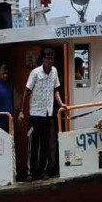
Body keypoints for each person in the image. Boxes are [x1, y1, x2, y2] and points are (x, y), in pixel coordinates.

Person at [18, 48, 67, 180]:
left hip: (48, 114)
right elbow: (26, 91)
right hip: (35, 114)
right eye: (48, 58)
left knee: (45, 144)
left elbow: (56, 90)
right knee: (33, 144)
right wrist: (22, 111)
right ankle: (31, 172)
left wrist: (61, 103)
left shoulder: (55, 71)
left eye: (52, 58)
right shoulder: (35, 73)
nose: (50, 61)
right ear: (43, 59)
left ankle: (42, 171)